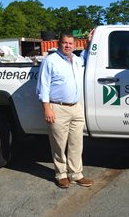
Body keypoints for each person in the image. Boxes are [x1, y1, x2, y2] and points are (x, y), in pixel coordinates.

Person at [36, 33, 93, 189]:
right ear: (58, 44)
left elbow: (86, 55)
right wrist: (47, 109)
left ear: (74, 45)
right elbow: (43, 86)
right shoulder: (50, 61)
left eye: (70, 43)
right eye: (65, 43)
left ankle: (76, 174)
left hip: (76, 107)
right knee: (59, 145)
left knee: (76, 143)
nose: (68, 46)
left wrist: (89, 42)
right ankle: (61, 174)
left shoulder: (76, 60)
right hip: (58, 107)